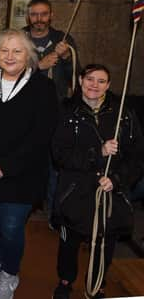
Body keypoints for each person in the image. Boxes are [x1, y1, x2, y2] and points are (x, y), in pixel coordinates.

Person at [0, 29, 58, 299]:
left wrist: (6, 165)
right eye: (4, 50)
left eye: (17, 51)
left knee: (12, 227)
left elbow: (42, 135)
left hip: (22, 176)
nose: (10, 56)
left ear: (29, 55)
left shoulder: (43, 88)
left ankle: (10, 273)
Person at [51, 64, 144, 299]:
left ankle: (97, 284)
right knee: (69, 243)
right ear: (81, 80)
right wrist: (98, 152)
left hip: (110, 192)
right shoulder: (66, 111)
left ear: (109, 85)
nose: (95, 85)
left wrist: (116, 179)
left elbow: (137, 157)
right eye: (90, 79)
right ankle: (65, 280)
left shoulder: (123, 113)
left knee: (105, 243)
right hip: (74, 191)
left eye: (101, 81)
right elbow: (59, 154)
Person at [23, 0, 79, 224]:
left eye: (43, 14)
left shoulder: (63, 40)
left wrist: (66, 58)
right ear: (28, 16)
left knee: (54, 161)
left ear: (51, 15)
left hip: (54, 110)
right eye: (34, 14)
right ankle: (25, 204)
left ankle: (53, 210)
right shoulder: (19, 38)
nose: (39, 19)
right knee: (26, 160)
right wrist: (38, 66)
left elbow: (77, 75)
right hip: (24, 109)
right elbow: (5, 69)